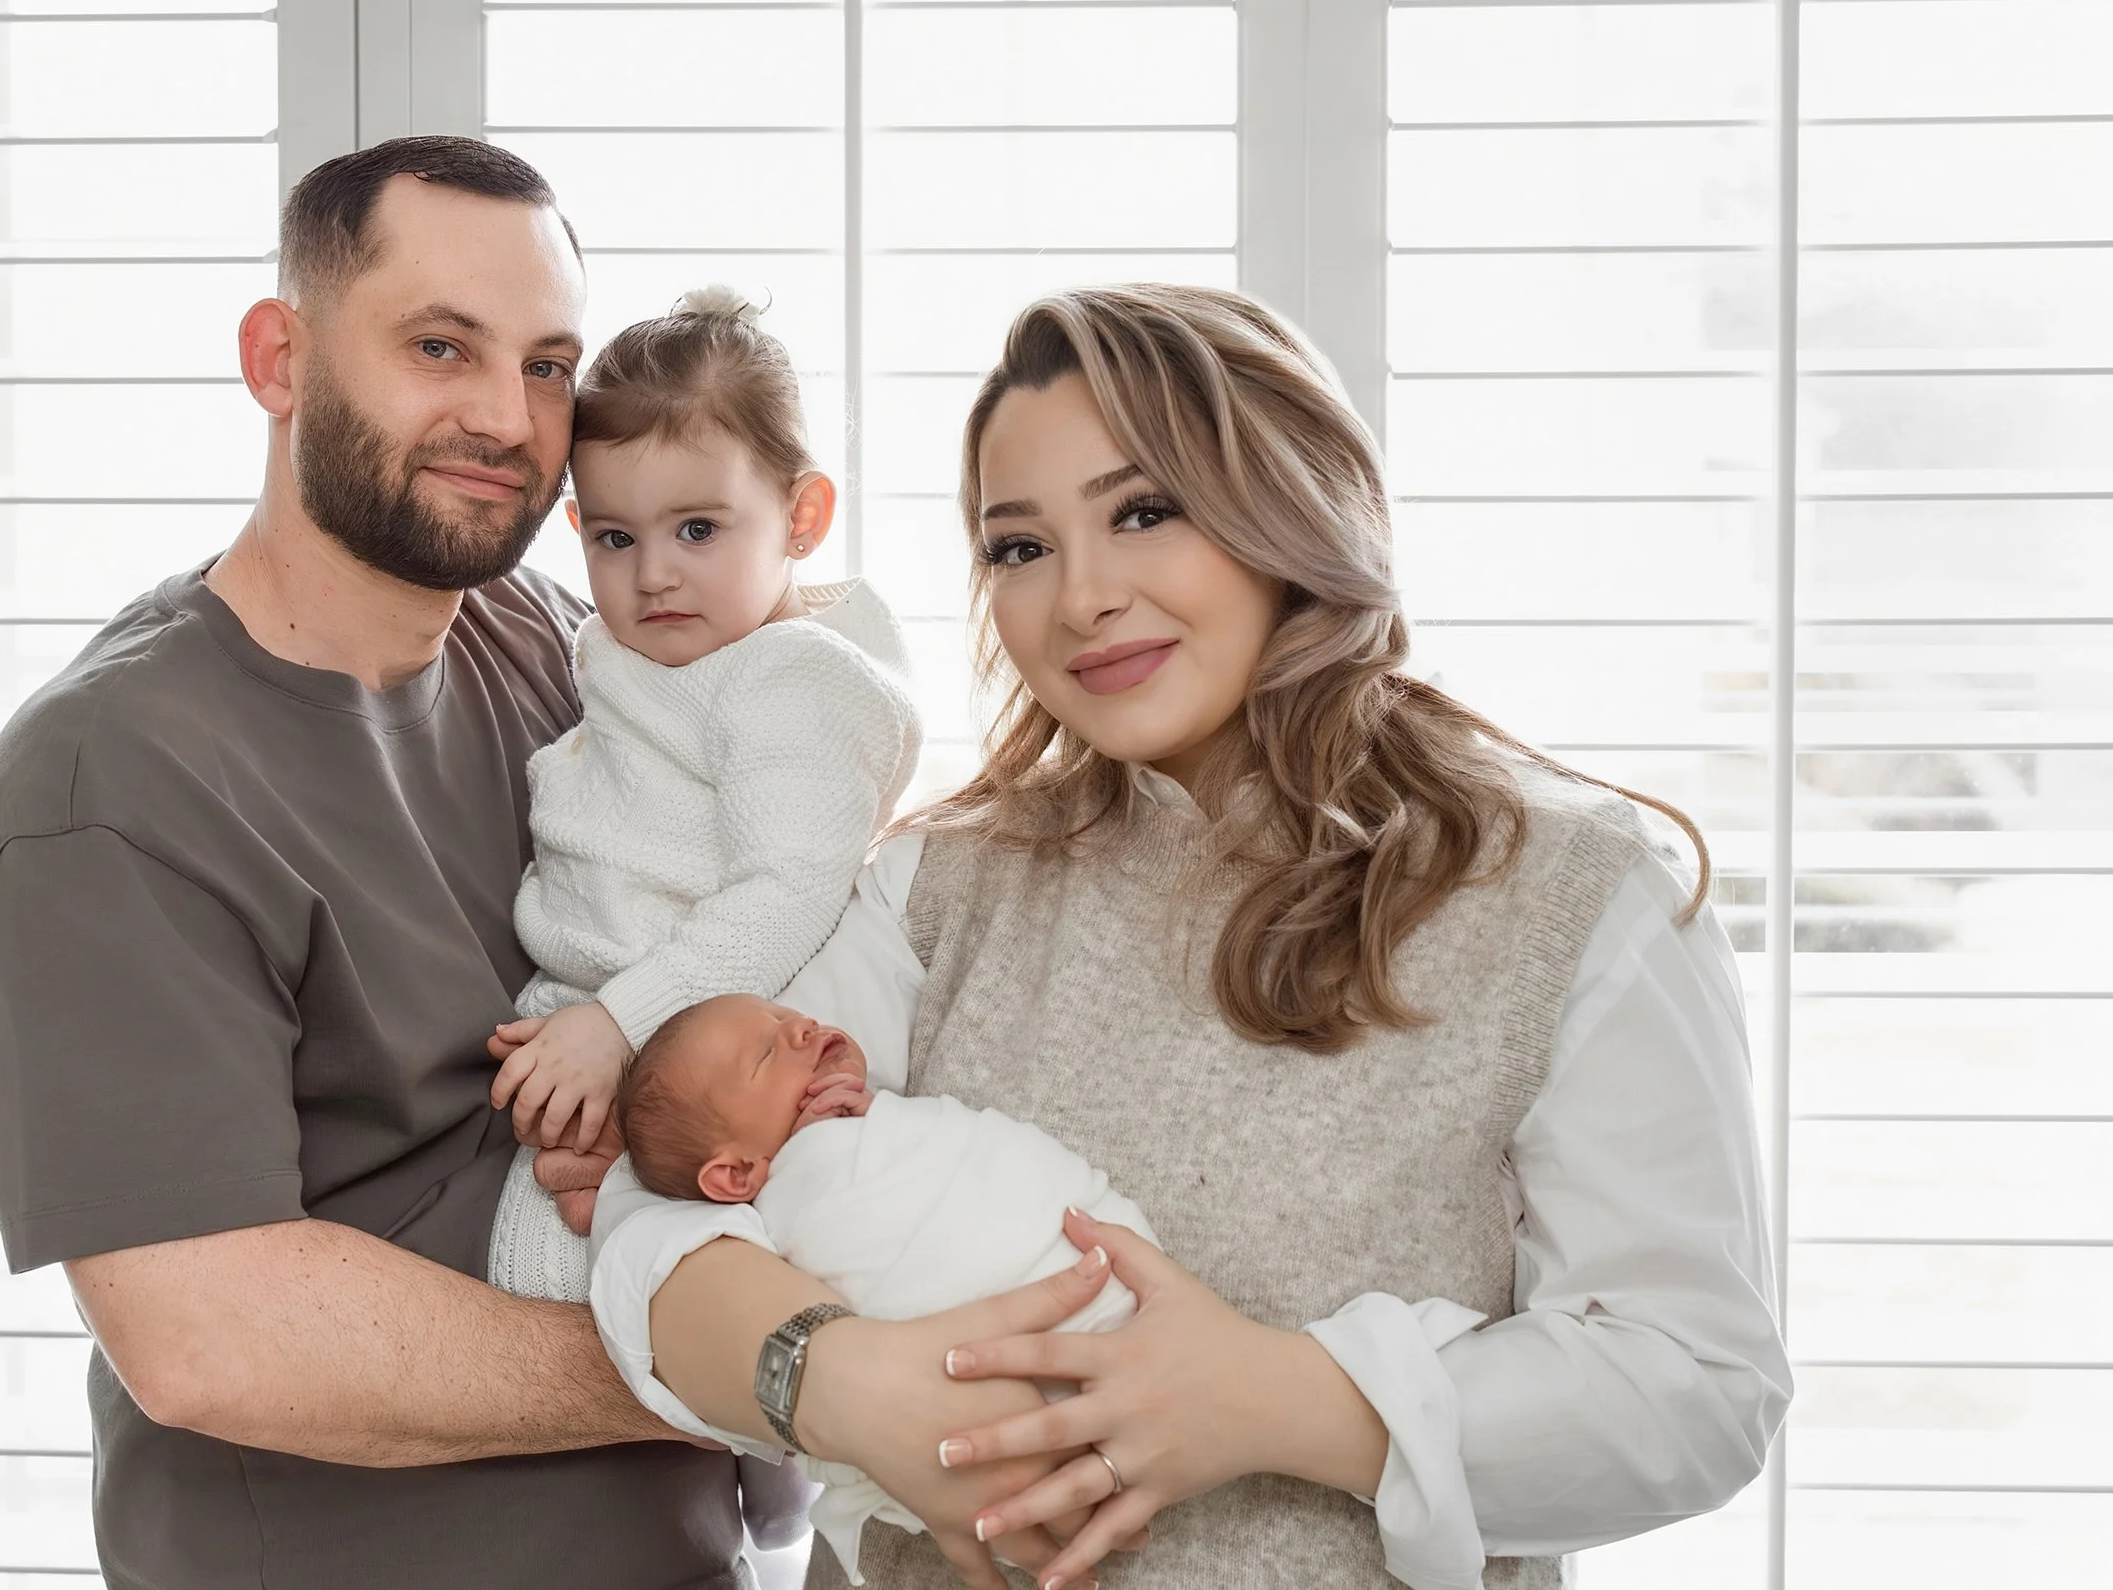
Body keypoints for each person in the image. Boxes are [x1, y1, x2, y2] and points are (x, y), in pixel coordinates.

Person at [579, 285, 1791, 1590]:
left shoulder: (1572, 891)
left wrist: (1281, 1401)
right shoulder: (935, 882)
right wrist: (836, 1380)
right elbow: (662, 1213)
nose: (1082, 597)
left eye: (1144, 512)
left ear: (1289, 504)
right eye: (1020, 548)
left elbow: (1695, 1379)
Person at [0, 137, 747, 1589]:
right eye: (440, 346)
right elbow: (209, 1335)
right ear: (280, 360)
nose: (507, 418)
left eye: (550, 366)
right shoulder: (105, 783)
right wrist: (746, 1368)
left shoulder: (563, 649)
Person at [481, 286, 919, 1307]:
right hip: (604, 1024)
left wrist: (618, 1026)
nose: (655, 577)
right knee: (545, 1286)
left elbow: (789, 890)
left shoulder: (795, 679)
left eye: (698, 529)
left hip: (687, 1042)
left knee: (608, 1300)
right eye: (616, 540)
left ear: (801, 517)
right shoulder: (637, 648)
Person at [618, 992, 1157, 1584]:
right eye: (766, 1055)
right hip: (992, 1398)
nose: (801, 1027)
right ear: (737, 1174)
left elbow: (966, 1162)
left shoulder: (883, 1120)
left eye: (785, 1015)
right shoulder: (785, 1215)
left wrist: (877, 1118)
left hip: (1121, 1296)